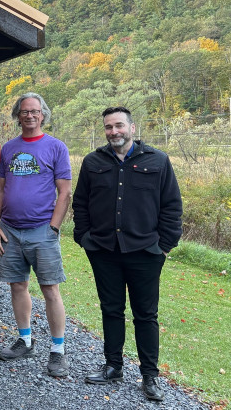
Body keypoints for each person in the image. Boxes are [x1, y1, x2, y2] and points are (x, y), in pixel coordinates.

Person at [73, 107, 182, 401]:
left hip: (145, 251)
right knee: (111, 310)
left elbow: (171, 205)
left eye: (119, 125)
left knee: (146, 315)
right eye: (109, 127)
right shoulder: (93, 161)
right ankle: (113, 365)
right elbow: (80, 202)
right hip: (104, 250)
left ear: (132, 128)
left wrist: (164, 245)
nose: (114, 132)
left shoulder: (157, 161)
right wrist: (85, 238)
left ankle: (149, 376)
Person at [0, 92, 71, 377]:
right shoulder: (10, 148)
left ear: (43, 114)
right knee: (17, 286)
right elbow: (0, 187)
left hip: (42, 231)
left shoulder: (56, 147)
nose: (30, 116)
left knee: (50, 289)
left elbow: (64, 191)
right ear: (18, 115)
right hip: (10, 230)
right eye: (24, 111)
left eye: (35, 111)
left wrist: (54, 227)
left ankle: (58, 350)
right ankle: (25, 339)